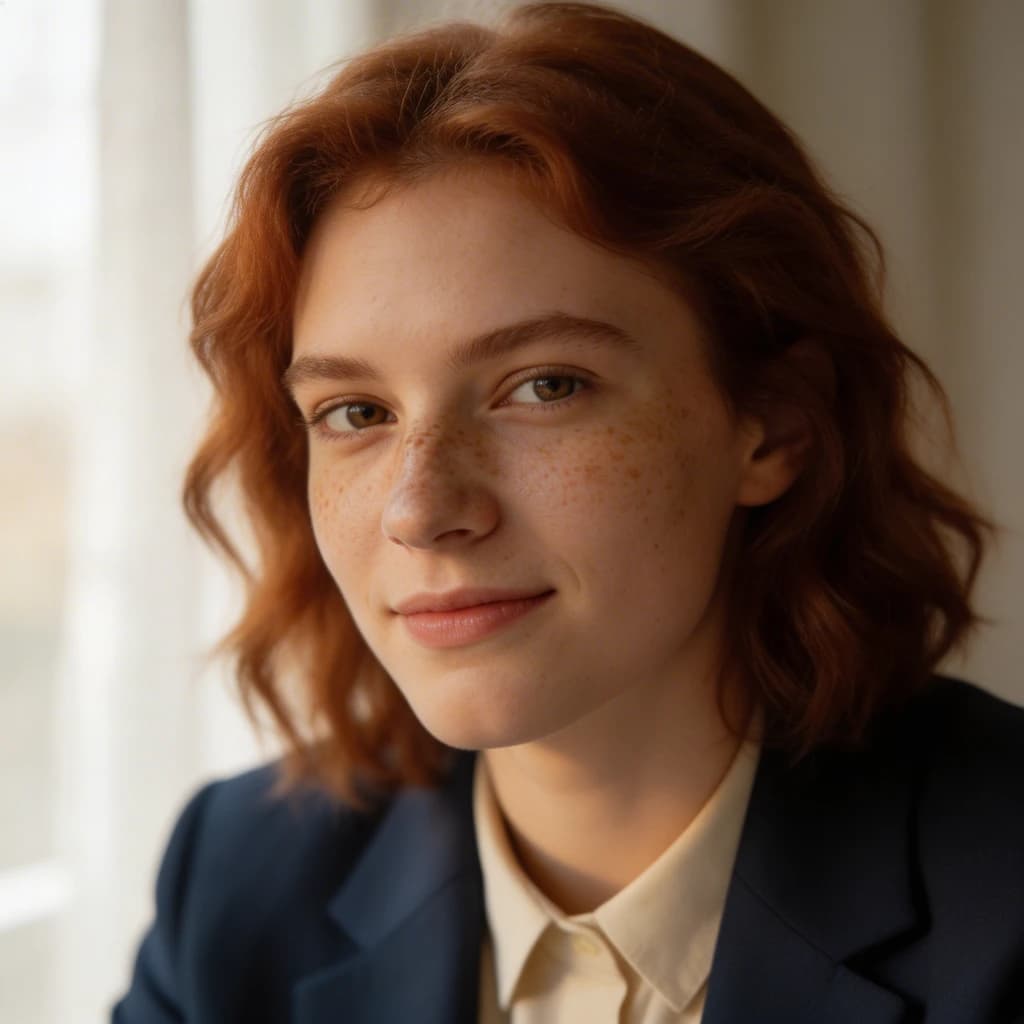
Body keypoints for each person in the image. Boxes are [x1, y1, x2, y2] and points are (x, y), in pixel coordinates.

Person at [112, 2, 1024, 1022]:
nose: (421, 509)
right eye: (356, 411)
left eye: (544, 386)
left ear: (771, 425)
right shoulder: (238, 882)